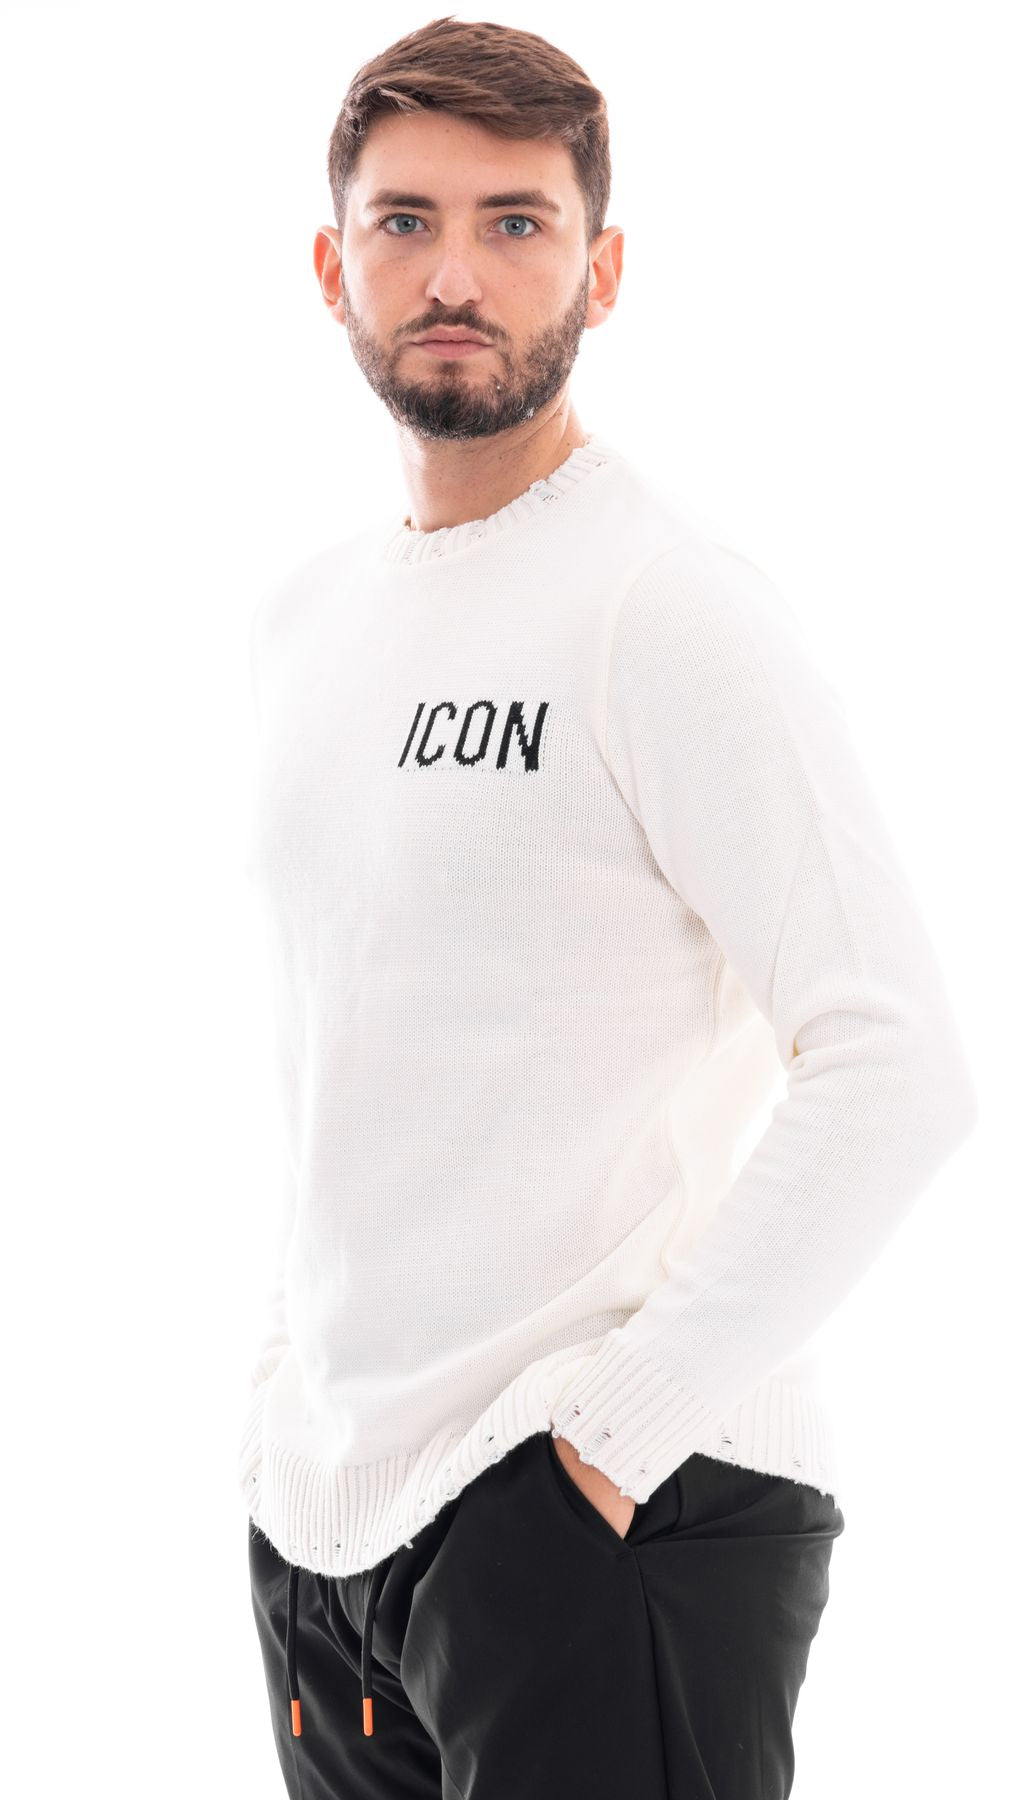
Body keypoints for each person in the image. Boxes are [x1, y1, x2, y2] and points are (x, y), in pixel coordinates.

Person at [240, 17, 978, 1800]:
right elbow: (354, 1053)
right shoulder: (307, 626)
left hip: (592, 1519)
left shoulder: (662, 605)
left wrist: (608, 1448)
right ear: (333, 267)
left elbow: (898, 1063)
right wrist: (286, 1408)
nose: (456, 275)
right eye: (406, 222)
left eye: (517, 222)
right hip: (327, 1532)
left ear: (604, 268)